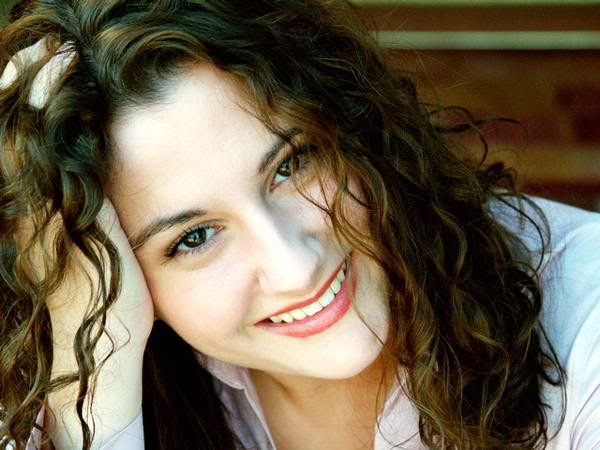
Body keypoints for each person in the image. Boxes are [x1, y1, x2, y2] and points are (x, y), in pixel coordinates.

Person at [0, 0, 599, 449]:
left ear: (353, 127)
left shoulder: (585, 328)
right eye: (194, 238)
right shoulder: (85, 376)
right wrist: (97, 368)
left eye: (291, 165)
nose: (295, 268)